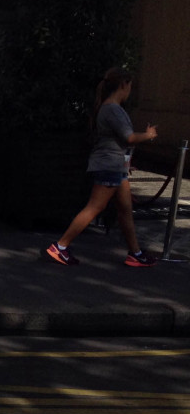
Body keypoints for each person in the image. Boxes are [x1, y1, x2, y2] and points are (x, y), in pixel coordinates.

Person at [45, 67, 159, 267]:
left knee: (125, 209)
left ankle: (136, 253)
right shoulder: (112, 109)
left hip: (115, 165)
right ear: (123, 85)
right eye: (130, 86)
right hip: (109, 165)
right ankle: (60, 246)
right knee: (95, 206)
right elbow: (129, 137)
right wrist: (148, 135)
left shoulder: (109, 108)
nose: (130, 90)